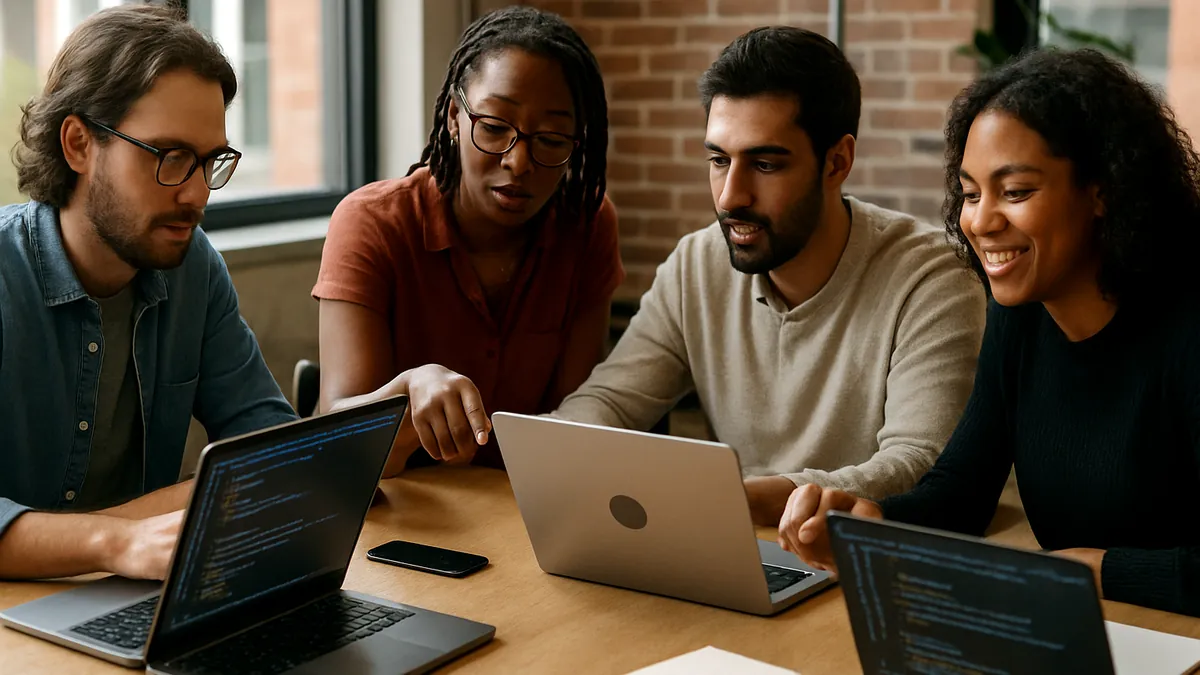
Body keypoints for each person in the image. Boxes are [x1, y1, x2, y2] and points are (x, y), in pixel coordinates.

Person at [777, 48, 1200, 618]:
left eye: (1017, 192)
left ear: (1104, 189)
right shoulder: (1022, 314)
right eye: (971, 193)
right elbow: (961, 493)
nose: (980, 221)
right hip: (1091, 631)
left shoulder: (1188, 329)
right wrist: (872, 522)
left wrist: (1096, 569)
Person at [551, 26, 986, 524]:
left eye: (764, 163)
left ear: (837, 162)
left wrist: (745, 497)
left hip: (865, 558)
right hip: (737, 544)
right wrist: (555, 449)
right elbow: (610, 399)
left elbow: (919, 464)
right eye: (718, 160)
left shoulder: (932, 277)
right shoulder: (696, 265)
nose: (730, 196)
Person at [0, 5, 296, 581]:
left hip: (128, 601)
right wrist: (117, 539)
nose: (196, 195)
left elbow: (270, 453)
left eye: (211, 161)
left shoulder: (193, 267)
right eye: (170, 157)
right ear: (79, 144)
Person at [315, 6, 621, 475]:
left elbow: (575, 419)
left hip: (528, 505)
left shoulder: (587, 225)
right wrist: (407, 391)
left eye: (553, 139)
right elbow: (334, 437)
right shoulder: (371, 223)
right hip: (398, 508)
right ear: (456, 117)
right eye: (495, 128)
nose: (519, 162)